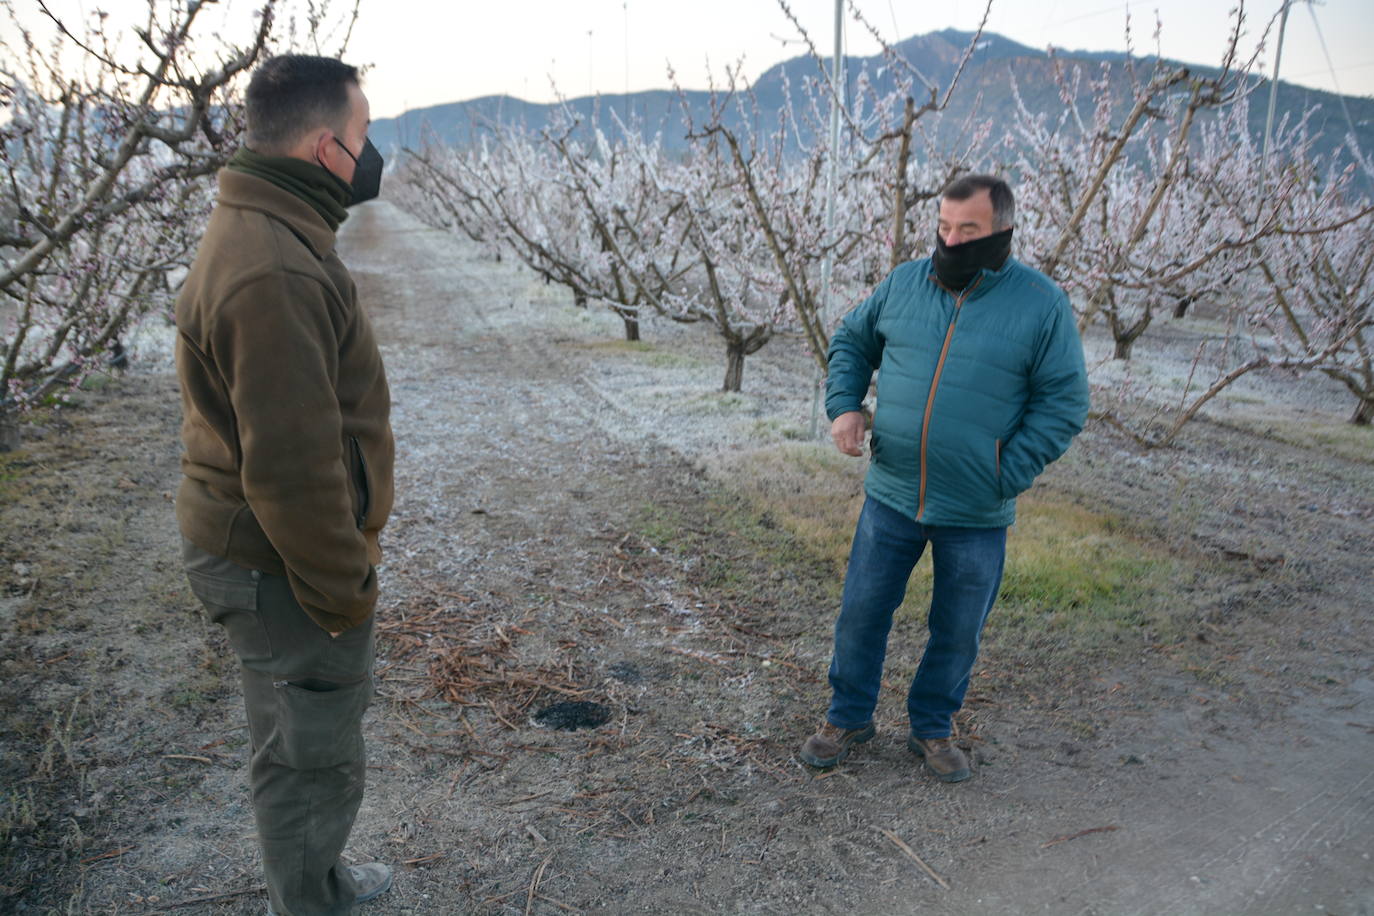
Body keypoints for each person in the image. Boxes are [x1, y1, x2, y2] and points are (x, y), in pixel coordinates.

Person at [175, 55, 394, 913]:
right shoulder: (276, 269)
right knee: (313, 753)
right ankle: (312, 903)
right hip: (281, 565)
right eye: (365, 137)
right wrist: (345, 591)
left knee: (292, 736)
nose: (372, 155)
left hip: (264, 555)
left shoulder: (273, 227)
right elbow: (292, 470)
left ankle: (319, 880)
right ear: (323, 146)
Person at [800, 174, 1089, 783]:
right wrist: (845, 405)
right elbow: (852, 339)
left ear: (1002, 231)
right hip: (892, 492)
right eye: (944, 227)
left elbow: (1063, 401)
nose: (952, 240)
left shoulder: (1041, 304)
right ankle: (847, 717)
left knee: (957, 629)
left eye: (969, 231)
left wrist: (1003, 473)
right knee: (861, 612)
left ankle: (932, 727)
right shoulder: (906, 283)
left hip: (977, 510)